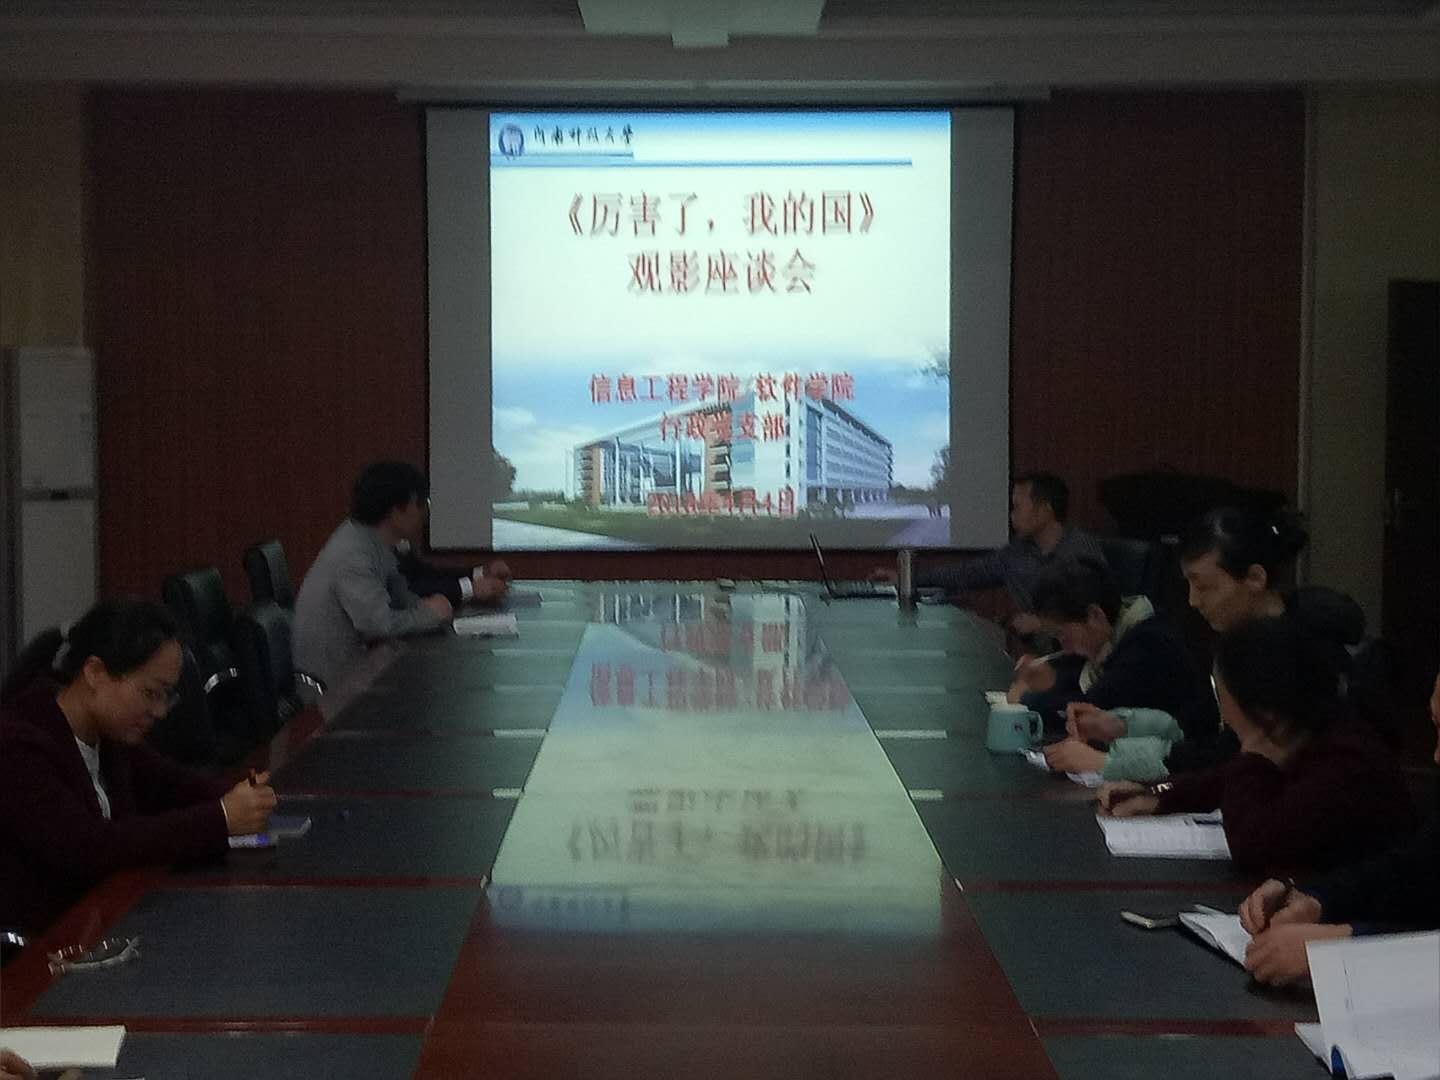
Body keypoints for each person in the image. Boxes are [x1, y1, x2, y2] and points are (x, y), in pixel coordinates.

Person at [0, 599, 277, 937]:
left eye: (167, 696)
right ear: (95, 673)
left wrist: (244, 795)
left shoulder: (108, 734)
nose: (159, 711)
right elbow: (88, 847)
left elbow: (173, 785)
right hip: (41, 944)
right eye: (150, 693)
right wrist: (221, 819)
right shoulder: (17, 746)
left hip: (104, 921)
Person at [1059, 506, 1364, 780]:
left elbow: (1233, 754)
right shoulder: (1236, 641)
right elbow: (1201, 723)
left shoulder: (1299, 653)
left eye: (1205, 586)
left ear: (1255, 578)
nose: (1193, 601)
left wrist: (1110, 762)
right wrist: (1120, 727)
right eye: (1189, 586)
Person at [1097, 616, 1415, 877]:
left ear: (1263, 707)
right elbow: (1218, 780)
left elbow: (1251, 848)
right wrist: (1156, 793)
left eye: (1222, 694)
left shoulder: (1345, 761)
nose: (1223, 713)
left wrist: (1251, 754)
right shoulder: (1306, 732)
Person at [1239, 671, 1440, 985]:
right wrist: (1315, 900)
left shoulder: (1349, 753)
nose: (1436, 756)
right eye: (1436, 726)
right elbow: (1408, 871)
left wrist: (1342, 944)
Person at [1005, 559, 1212, 771]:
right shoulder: (1110, 637)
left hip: (1189, 766)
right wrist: (1049, 680)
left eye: (1062, 634)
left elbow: (1088, 711)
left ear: (1095, 615)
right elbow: (1073, 680)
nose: (1064, 647)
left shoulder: (1148, 645)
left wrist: (1027, 699)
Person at [874, 472, 1106, 631]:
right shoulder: (1017, 553)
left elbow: (1099, 625)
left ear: (1045, 510)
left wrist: (1044, 625)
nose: (1011, 515)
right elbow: (967, 573)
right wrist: (907, 578)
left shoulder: (1081, 553)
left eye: (1017, 507)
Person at [294, 462, 456, 688]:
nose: (424, 512)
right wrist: (429, 614)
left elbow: (401, 600)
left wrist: (428, 610)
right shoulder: (353, 554)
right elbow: (379, 625)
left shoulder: (374, 542)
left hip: (363, 667)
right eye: (420, 503)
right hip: (334, 686)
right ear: (395, 511)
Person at [395, 540, 510, 610]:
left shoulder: (399, 544)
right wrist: (470, 588)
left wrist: (480, 573)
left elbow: (427, 573)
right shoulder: (386, 553)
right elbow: (409, 589)